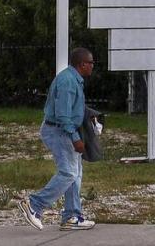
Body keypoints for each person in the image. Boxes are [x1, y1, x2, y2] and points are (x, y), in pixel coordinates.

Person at [18, 47, 97, 231]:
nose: (93, 66)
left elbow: (72, 108)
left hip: (64, 130)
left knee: (75, 174)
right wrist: (76, 138)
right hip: (59, 131)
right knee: (68, 173)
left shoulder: (74, 79)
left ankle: (72, 216)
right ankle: (34, 205)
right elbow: (62, 116)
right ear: (82, 64)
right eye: (91, 63)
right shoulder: (68, 81)